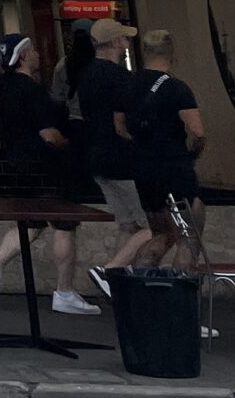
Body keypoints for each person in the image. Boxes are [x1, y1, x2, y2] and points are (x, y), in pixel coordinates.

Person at [0, 35, 96, 317]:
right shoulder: (32, 91)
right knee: (64, 224)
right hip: (46, 165)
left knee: (31, 220)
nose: (38, 54)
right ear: (22, 57)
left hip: (16, 163)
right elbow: (49, 135)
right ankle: (64, 291)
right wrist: (70, 144)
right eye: (32, 51)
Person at [77, 17, 155, 293]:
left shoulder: (85, 75)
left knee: (128, 224)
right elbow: (125, 122)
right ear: (114, 42)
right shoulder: (120, 77)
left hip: (97, 156)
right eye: (124, 39)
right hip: (123, 159)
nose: (127, 44)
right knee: (153, 225)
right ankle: (111, 271)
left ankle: (116, 280)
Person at [132, 29, 206, 262]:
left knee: (160, 234)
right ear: (172, 52)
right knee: (188, 237)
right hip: (174, 168)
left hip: (143, 169)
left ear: (144, 52)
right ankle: (178, 292)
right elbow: (197, 131)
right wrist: (194, 151)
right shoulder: (177, 88)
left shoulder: (129, 85)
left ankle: (143, 284)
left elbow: (120, 125)